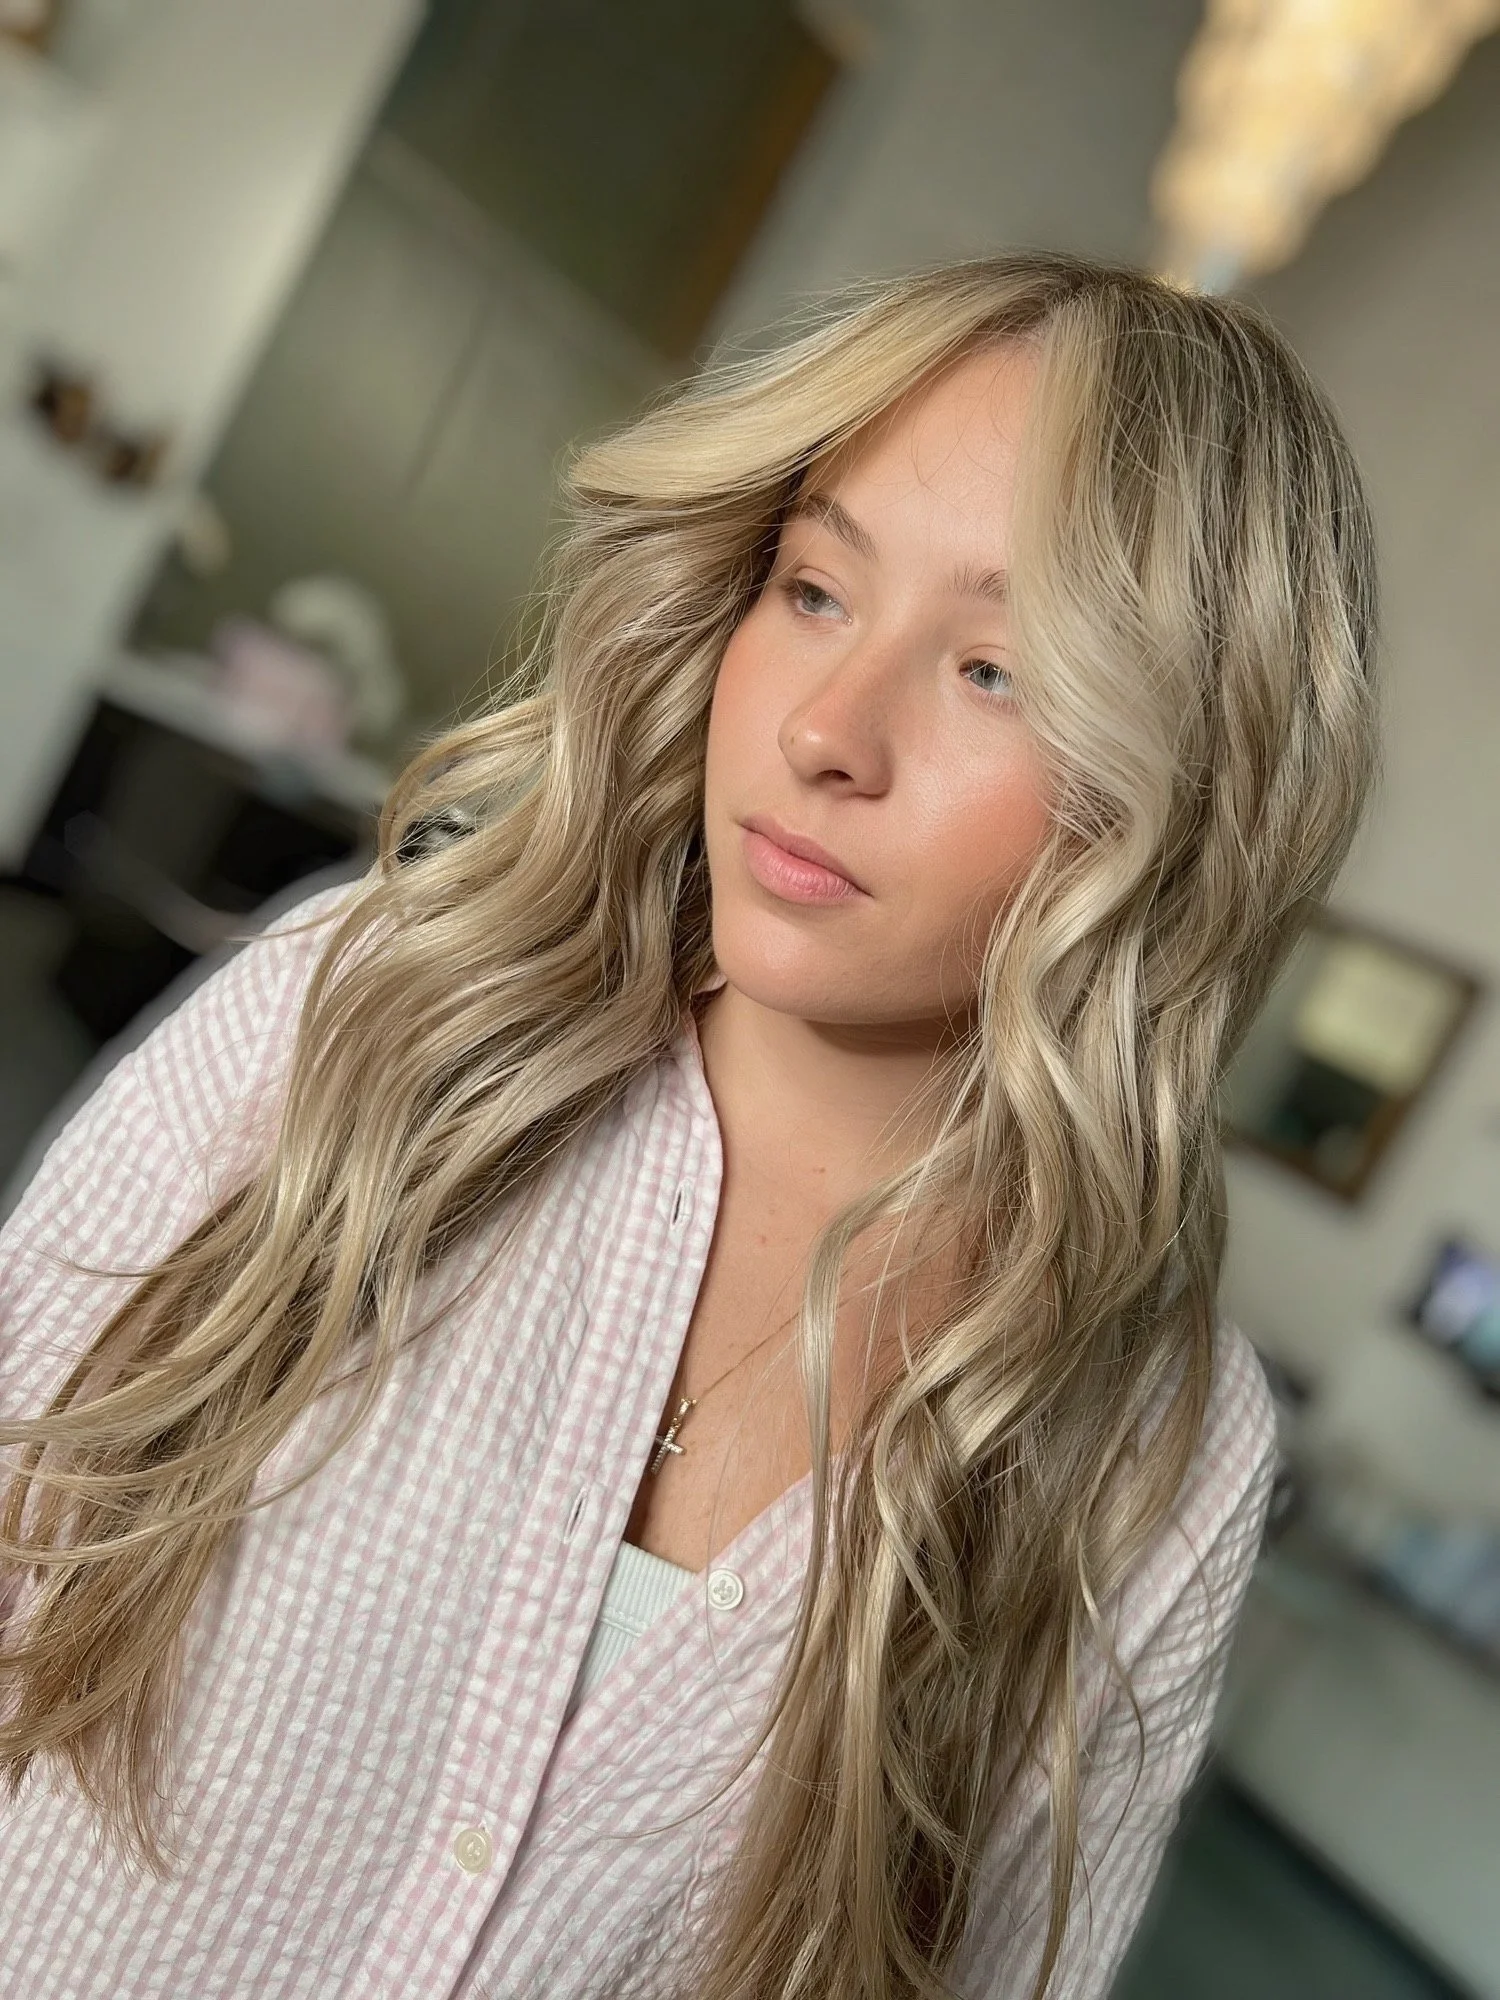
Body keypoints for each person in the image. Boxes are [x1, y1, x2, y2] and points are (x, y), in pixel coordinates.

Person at [0, 251, 1378, 2000]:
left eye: (995, 671)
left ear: (1188, 799)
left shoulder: (1161, 1449)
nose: (824, 730)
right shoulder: (357, 1013)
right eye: (815, 588)